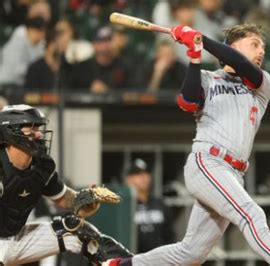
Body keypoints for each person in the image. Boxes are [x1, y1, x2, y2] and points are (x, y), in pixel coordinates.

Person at [104, 23, 270, 265]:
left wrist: (199, 38)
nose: (261, 52)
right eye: (255, 45)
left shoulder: (261, 84)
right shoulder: (208, 78)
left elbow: (241, 64)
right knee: (252, 215)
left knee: (191, 254)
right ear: (234, 47)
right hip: (208, 162)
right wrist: (195, 57)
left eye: (263, 48)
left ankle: (119, 265)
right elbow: (187, 102)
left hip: (234, 173)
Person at [0, 104, 132, 265]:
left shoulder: (42, 166)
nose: (39, 135)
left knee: (80, 232)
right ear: (10, 131)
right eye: (32, 128)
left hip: (17, 238)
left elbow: (62, 197)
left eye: (39, 128)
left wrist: (81, 200)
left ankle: (134, 263)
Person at [124, 158, 175, 253]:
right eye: (138, 174)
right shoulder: (123, 206)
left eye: (146, 173)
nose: (144, 178)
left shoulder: (160, 204)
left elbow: (169, 235)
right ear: (128, 179)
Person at [0, 16, 47, 88]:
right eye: (38, 31)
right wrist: (34, 70)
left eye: (43, 32)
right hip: (6, 83)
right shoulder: (17, 43)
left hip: (22, 85)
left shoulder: (40, 47)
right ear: (29, 30)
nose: (41, 35)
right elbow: (14, 69)